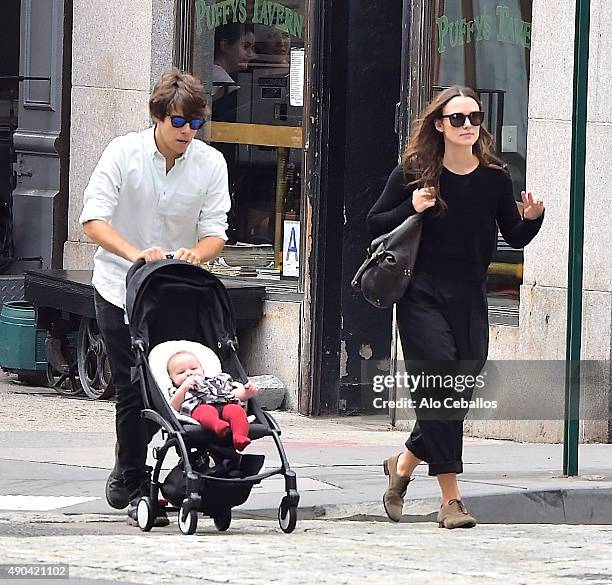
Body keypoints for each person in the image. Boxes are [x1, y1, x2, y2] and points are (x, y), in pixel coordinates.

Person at [368, 86, 544, 529]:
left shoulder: (494, 178)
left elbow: (514, 238)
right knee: (438, 385)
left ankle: (404, 463)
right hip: (420, 293)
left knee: (457, 392)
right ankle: (451, 499)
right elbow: (375, 223)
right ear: (440, 125)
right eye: (459, 118)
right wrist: (412, 204)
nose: (469, 126)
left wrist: (533, 219)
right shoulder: (416, 172)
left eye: (475, 118)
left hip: (470, 294)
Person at [79, 67, 231, 526]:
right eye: (179, 122)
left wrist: (195, 254)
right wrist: (134, 254)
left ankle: (181, 472)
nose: (187, 132)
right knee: (132, 385)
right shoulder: (123, 153)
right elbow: (92, 220)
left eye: (195, 124)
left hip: (174, 291)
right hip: (118, 285)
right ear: (159, 118)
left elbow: (215, 232)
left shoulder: (210, 164)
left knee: (170, 386)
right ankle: (131, 476)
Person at [166, 350, 258, 451]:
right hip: (200, 408)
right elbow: (173, 407)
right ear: (172, 378)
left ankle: (240, 437)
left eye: (193, 368)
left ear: (203, 371)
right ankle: (217, 426)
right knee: (205, 412)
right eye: (181, 372)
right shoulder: (178, 390)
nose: (189, 373)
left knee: (237, 411)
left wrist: (246, 392)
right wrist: (183, 389)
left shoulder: (216, 382)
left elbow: (233, 394)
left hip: (224, 404)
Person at [212, 23, 256, 102]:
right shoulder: (227, 86)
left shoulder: (210, 73)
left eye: (253, 48)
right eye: (245, 47)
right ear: (224, 45)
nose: (251, 54)